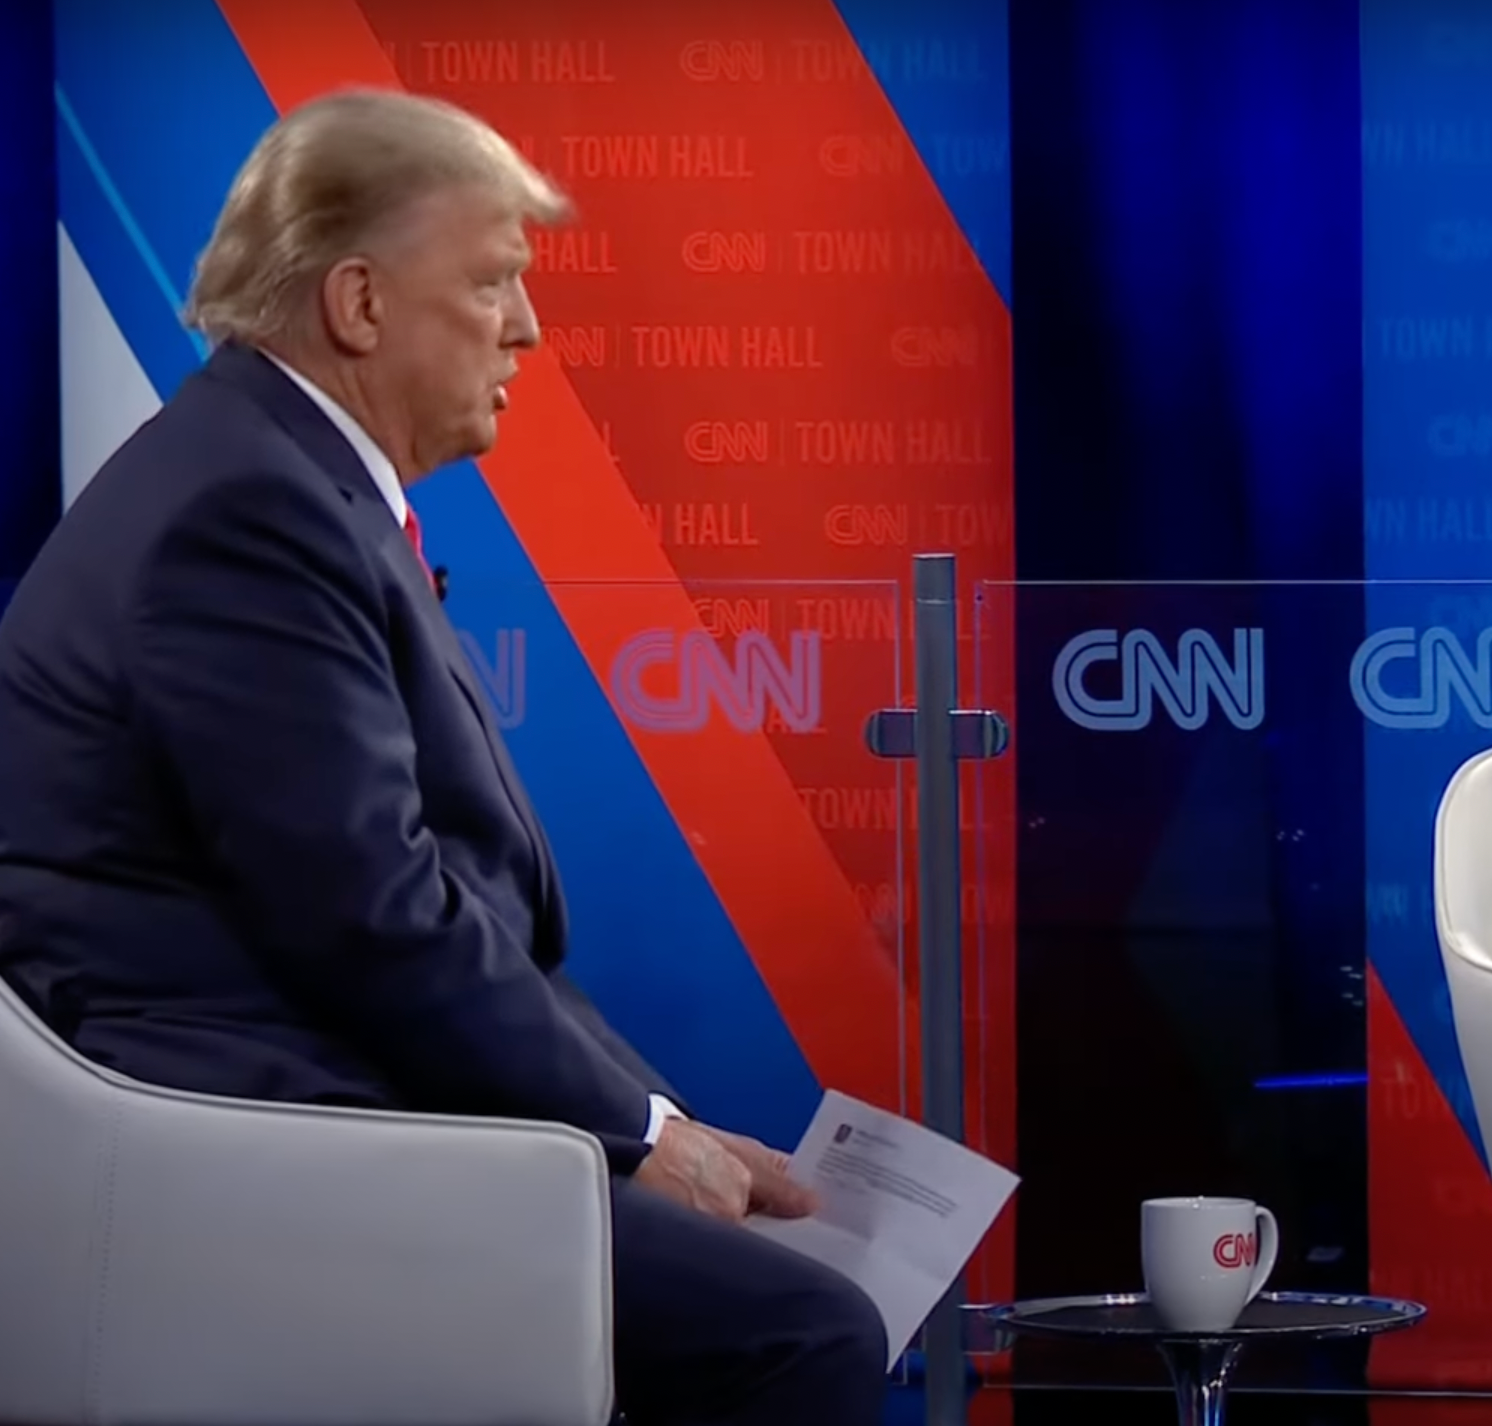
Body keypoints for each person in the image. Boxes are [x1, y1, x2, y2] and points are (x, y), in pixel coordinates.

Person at [0, 89, 886, 1425]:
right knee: (803, 1327)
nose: (526, 328)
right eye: (491, 282)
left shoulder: (285, 482)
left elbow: (443, 912)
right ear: (357, 303)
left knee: (778, 1278)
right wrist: (640, 1141)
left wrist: (664, 1124)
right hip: (255, 1138)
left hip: (327, 1098)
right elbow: (372, 918)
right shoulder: (246, 510)